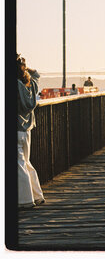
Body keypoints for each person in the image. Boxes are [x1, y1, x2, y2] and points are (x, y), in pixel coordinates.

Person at [17, 54, 45, 209]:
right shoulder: (31, 84)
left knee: (19, 164)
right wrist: (25, 67)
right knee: (26, 162)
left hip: (15, 129)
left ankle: (26, 200)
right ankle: (37, 195)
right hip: (27, 129)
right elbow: (36, 74)